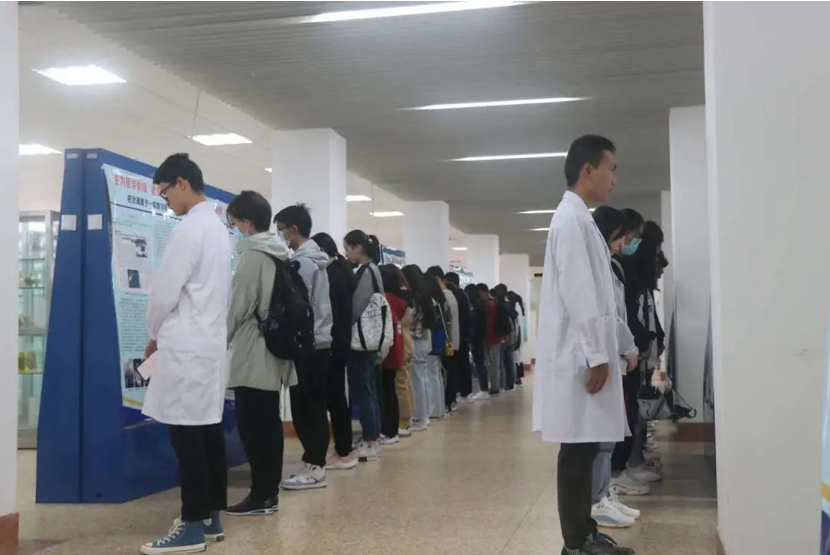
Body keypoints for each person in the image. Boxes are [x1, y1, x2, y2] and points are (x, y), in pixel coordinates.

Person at [531, 135, 633, 555]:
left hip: (585, 352)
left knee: (585, 446)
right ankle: (576, 542)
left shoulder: (580, 218)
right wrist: (596, 355)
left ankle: (584, 531)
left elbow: (600, 298)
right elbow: (579, 294)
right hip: (579, 356)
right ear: (588, 169)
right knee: (577, 450)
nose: (614, 178)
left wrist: (613, 348)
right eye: (611, 168)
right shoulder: (570, 220)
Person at [141, 153, 231, 554]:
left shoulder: (189, 229)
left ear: (181, 183)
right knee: (207, 430)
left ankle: (192, 526)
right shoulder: (218, 229)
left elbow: (165, 293)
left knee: (185, 436)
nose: (166, 202)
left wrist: (153, 333)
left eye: (165, 193)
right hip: (208, 345)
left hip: (185, 345)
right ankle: (210, 517)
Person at [225, 191, 296, 517]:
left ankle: (261, 494)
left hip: (254, 351)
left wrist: (219, 339)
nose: (235, 229)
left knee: (253, 426)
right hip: (273, 350)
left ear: (247, 222)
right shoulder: (278, 252)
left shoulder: (253, 257)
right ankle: (268, 492)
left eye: (235, 223)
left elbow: (238, 307)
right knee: (268, 424)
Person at [589, 206, 642, 529]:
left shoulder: (609, 266)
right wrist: (629, 347)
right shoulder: (598, 268)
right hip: (605, 357)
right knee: (601, 435)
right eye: (619, 237)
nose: (623, 243)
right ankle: (597, 499)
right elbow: (610, 317)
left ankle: (604, 491)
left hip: (614, 356)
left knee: (608, 434)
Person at [274, 204, 333, 490]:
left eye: (281, 229)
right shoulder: (316, 260)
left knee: (306, 408)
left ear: (293, 229)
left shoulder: (302, 264)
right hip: (321, 342)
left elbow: (298, 308)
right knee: (314, 406)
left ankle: (315, 466)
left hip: (308, 345)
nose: (280, 235)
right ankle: (315, 463)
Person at [311, 232, 358, 471]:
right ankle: (343, 446)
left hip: (332, 343)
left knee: (334, 397)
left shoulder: (331, 275)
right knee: (338, 396)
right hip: (341, 342)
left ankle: (342, 449)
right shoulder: (342, 271)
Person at [343, 230, 384, 461]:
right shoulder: (373, 270)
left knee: (363, 390)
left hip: (361, 341)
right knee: (368, 389)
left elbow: (356, 307)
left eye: (348, 249)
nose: (347, 254)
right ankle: (372, 437)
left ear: (358, 248)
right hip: (370, 340)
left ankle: (370, 440)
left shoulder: (367, 272)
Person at [378, 265, 411, 444]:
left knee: (387, 391)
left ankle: (389, 431)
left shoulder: (386, 300)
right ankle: (392, 429)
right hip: (396, 347)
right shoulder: (399, 301)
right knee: (391, 389)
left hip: (386, 349)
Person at [402, 264, 437, 431]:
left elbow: (409, 323)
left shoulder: (414, 300)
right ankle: (424, 415)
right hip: (424, 340)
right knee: (421, 380)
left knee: (416, 381)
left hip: (415, 341)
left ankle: (420, 418)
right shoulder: (427, 298)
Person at [426, 266, 461, 412]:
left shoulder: (443, 298)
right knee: (443, 372)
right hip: (450, 340)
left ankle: (445, 403)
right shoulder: (449, 296)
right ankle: (447, 403)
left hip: (446, 340)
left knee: (442, 372)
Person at [424, 268, 452, 418]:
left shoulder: (432, 302)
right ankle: (439, 408)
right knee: (436, 374)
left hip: (434, 338)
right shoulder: (443, 301)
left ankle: (434, 409)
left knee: (431, 374)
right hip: (441, 338)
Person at [445, 272, 474, 402]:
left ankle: (457, 392)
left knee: (453, 364)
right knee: (463, 363)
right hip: (463, 336)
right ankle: (465, 392)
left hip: (453, 337)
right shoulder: (463, 295)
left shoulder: (452, 296)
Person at [478, 283, 503, 398]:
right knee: (494, 363)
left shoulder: (489, 304)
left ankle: (494, 387)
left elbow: (489, 324)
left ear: (482, 292)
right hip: (495, 337)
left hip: (492, 338)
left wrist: (487, 339)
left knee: (493, 364)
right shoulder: (494, 302)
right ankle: (495, 386)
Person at [466, 283, 489, 400]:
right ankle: (483, 388)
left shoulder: (476, 306)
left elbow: (474, 324)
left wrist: (471, 339)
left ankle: (483, 388)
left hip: (477, 338)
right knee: (480, 362)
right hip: (480, 337)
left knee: (479, 363)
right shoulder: (481, 305)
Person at [494, 284, 516, 391]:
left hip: (506, 334)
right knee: (509, 359)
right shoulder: (510, 303)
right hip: (510, 333)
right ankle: (509, 382)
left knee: (505, 360)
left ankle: (506, 383)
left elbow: (504, 322)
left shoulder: (503, 305)